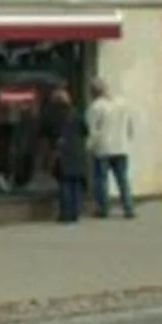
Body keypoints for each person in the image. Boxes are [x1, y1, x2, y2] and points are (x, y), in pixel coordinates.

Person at [87, 79, 139, 219]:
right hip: (121, 146)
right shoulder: (122, 103)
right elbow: (130, 125)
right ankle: (128, 207)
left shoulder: (96, 107)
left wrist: (89, 146)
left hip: (103, 148)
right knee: (122, 179)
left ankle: (103, 209)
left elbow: (93, 130)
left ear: (93, 92)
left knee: (101, 180)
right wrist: (128, 139)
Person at [48, 87, 90, 225]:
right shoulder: (76, 113)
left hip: (62, 152)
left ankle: (65, 213)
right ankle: (75, 212)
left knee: (64, 183)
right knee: (75, 183)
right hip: (77, 151)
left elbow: (49, 132)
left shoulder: (54, 115)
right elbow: (86, 130)